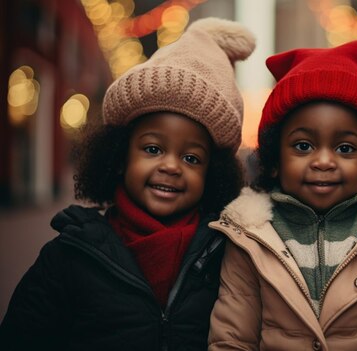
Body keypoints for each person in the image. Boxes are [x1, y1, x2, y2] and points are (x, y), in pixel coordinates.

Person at [0, 18, 255, 351]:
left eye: (192, 158)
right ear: (119, 157)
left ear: (213, 174)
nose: (170, 166)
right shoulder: (69, 257)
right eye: (153, 149)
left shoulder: (228, 261)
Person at [208, 39, 357, 350]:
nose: (324, 161)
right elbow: (232, 340)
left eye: (345, 148)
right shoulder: (249, 237)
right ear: (275, 161)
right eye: (304, 146)